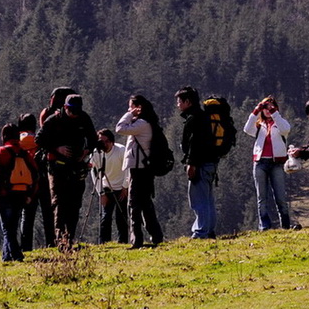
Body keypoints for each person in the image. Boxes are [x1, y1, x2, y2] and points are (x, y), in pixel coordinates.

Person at [36, 94, 97, 247]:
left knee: (75, 204)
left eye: (77, 110)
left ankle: (69, 237)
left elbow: (93, 138)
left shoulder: (83, 118)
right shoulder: (54, 120)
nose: (74, 113)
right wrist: (57, 149)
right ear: (65, 107)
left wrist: (87, 150)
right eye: (71, 110)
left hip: (77, 166)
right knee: (59, 202)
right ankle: (60, 239)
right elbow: (39, 140)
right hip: (57, 166)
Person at [116, 95, 164, 248]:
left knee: (134, 204)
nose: (128, 110)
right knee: (145, 203)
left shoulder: (141, 124)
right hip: (145, 168)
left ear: (138, 107)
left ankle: (136, 240)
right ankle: (156, 236)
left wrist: (130, 114)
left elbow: (120, 128)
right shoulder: (147, 123)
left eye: (131, 107)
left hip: (138, 169)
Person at [34, 87, 77, 248]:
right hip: (54, 163)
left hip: (51, 163)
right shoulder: (53, 117)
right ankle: (58, 238)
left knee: (52, 203)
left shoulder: (48, 113)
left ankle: (54, 239)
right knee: (57, 202)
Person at [174, 86, 219, 240]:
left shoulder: (194, 118)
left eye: (179, 101)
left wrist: (191, 164)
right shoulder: (204, 117)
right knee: (207, 199)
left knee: (199, 200)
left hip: (199, 164)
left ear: (188, 102)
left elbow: (194, 144)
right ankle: (209, 229)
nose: (178, 105)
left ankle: (200, 232)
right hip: (210, 163)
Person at [0, 124, 38, 262]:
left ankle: (17, 255)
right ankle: (6, 257)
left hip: (5, 194)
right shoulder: (24, 153)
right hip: (21, 192)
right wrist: (30, 194)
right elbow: (35, 174)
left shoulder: (0, 151)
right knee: (13, 225)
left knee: (7, 227)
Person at [243, 96, 291, 231]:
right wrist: (256, 111)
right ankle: (264, 226)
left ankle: (285, 225)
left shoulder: (280, 124)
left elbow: (286, 129)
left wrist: (275, 113)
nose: (268, 110)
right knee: (261, 198)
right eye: (266, 108)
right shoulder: (258, 126)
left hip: (277, 163)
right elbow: (247, 129)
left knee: (280, 197)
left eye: (271, 107)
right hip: (260, 163)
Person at [90, 129, 128, 244]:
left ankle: (123, 241)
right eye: (101, 141)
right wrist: (101, 193)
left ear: (112, 141)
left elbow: (128, 169)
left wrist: (125, 187)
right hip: (106, 187)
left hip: (121, 187)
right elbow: (94, 172)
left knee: (121, 217)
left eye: (106, 141)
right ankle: (104, 242)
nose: (104, 144)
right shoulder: (96, 153)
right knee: (105, 217)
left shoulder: (121, 150)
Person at [16, 113, 41, 251]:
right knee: (28, 216)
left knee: (15, 217)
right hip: (34, 183)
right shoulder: (37, 142)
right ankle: (27, 246)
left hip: (16, 183)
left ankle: (13, 245)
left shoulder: (16, 142)